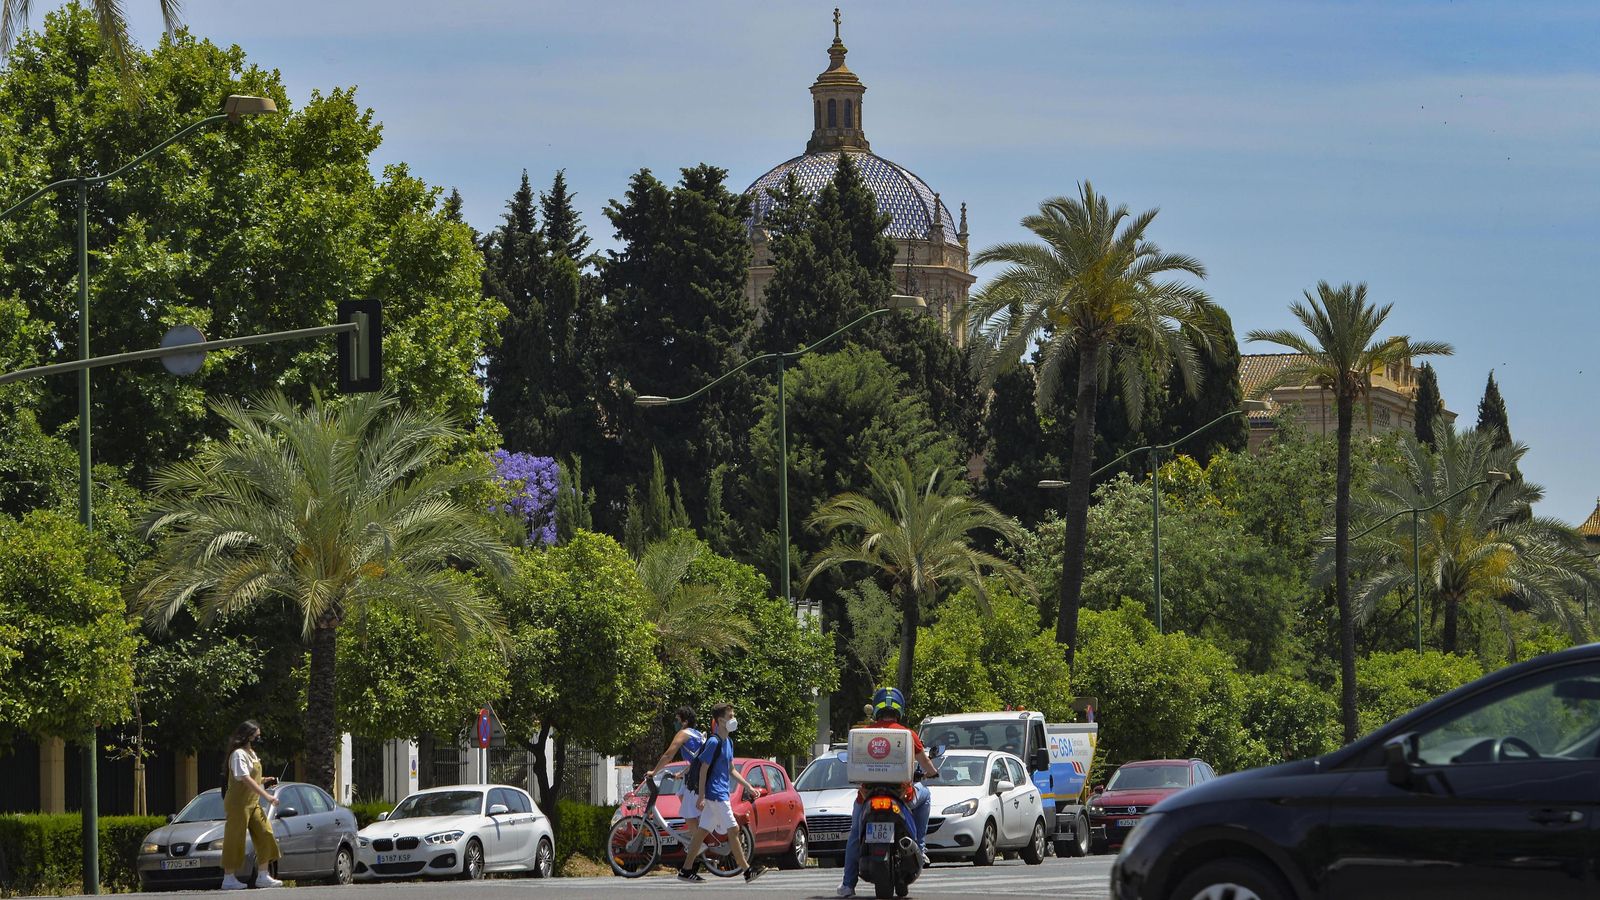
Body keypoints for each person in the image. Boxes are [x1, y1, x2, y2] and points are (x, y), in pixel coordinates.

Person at [837, 687, 938, 899]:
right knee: (926, 795)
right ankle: (920, 846)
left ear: (876, 710)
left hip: (867, 796)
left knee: (855, 835)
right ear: (899, 710)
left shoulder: (864, 734)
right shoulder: (908, 734)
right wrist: (932, 773)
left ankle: (848, 885)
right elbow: (925, 763)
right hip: (902, 796)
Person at [677, 703, 768, 885]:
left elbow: (731, 769)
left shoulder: (728, 742)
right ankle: (747, 871)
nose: (733, 719)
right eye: (730, 716)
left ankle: (686, 870)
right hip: (715, 795)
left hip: (720, 794)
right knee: (733, 830)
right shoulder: (713, 742)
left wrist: (748, 786)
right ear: (720, 720)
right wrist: (701, 796)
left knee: (701, 832)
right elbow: (704, 770)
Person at [219, 720, 282, 890]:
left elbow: (251, 778)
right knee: (235, 838)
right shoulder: (238, 754)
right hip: (238, 803)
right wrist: (267, 796)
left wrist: (264, 781)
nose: (258, 738)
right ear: (248, 736)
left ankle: (263, 875)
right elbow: (244, 778)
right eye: (257, 736)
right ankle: (229, 878)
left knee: (265, 833)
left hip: (252, 802)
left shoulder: (252, 753)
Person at [647, 706, 705, 834]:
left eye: (677, 720)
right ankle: (696, 829)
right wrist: (682, 773)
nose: (675, 723)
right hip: (697, 774)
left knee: (687, 813)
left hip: (696, 778)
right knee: (680, 794)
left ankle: (697, 842)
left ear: (684, 722)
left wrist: (654, 772)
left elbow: (668, 755)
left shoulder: (683, 733)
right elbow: (697, 760)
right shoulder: (698, 734)